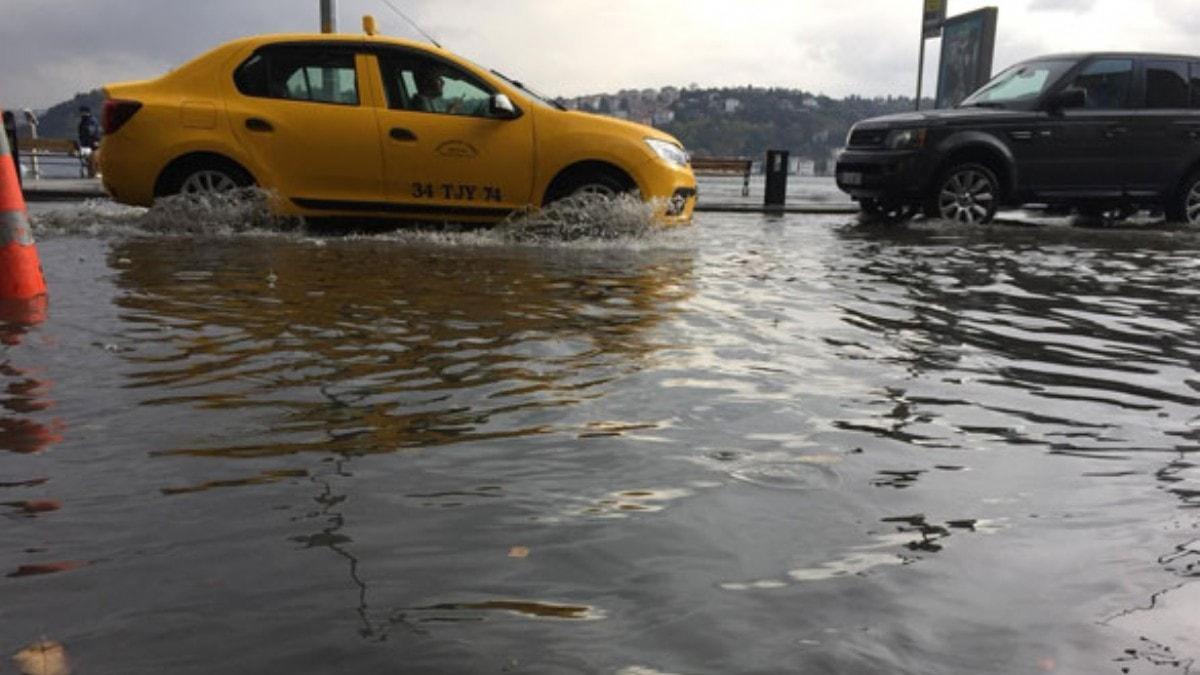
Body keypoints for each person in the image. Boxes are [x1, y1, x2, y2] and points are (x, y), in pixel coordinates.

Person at [77, 106, 101, 177]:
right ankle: (94, 172)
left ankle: (92, 172)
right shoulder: (92, 120)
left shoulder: (84, 121)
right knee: (94, 155)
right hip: (91, 144)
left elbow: (85, 133)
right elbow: (92, 132)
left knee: (91, 156)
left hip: (86, 145)